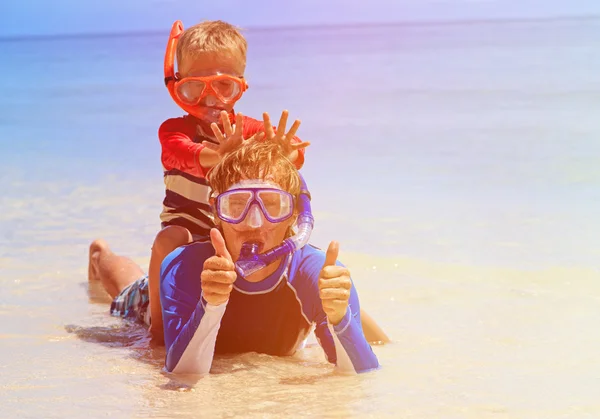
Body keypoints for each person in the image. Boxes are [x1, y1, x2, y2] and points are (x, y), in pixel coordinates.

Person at [89, 140, 380, 375]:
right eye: (236, 205)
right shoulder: (184, 267)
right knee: (126, 285)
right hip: (154, 303)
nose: (254, 223)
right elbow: (182, 370)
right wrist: (211, 304)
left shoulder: (317, 271)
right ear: (216, 211)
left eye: (272, 206)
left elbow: (359, 374)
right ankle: (100, 254)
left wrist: (340, 318)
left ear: (293, 215)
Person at [148, 19, 310, 342]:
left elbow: (293, 163)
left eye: (223, 86)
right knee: (168, 239)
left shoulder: (249, 129)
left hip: (232, 235)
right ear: (178, 87)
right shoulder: (173, 131)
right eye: (196, 87)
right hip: (187, 242)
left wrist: (283, 154)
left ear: (241, 85)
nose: (211, 98)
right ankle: (155, 328)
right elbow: (192, 156)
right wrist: (224, 155)